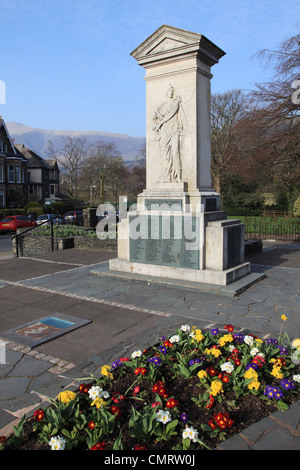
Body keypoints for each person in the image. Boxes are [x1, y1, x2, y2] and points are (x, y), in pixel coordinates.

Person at [153, 85, 186, 183]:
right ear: (166, 92)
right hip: (164, 130)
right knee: (165, 154)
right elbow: (158, 112)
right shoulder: (163, 104)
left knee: (175, 152)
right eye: (169, 91)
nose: (171, 92)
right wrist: (156, 117)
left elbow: (171, 114)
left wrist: (159, 123)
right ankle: (166, 177)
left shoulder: (175, 102)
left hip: (174, 128)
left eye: (172, 91)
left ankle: (178, 177)